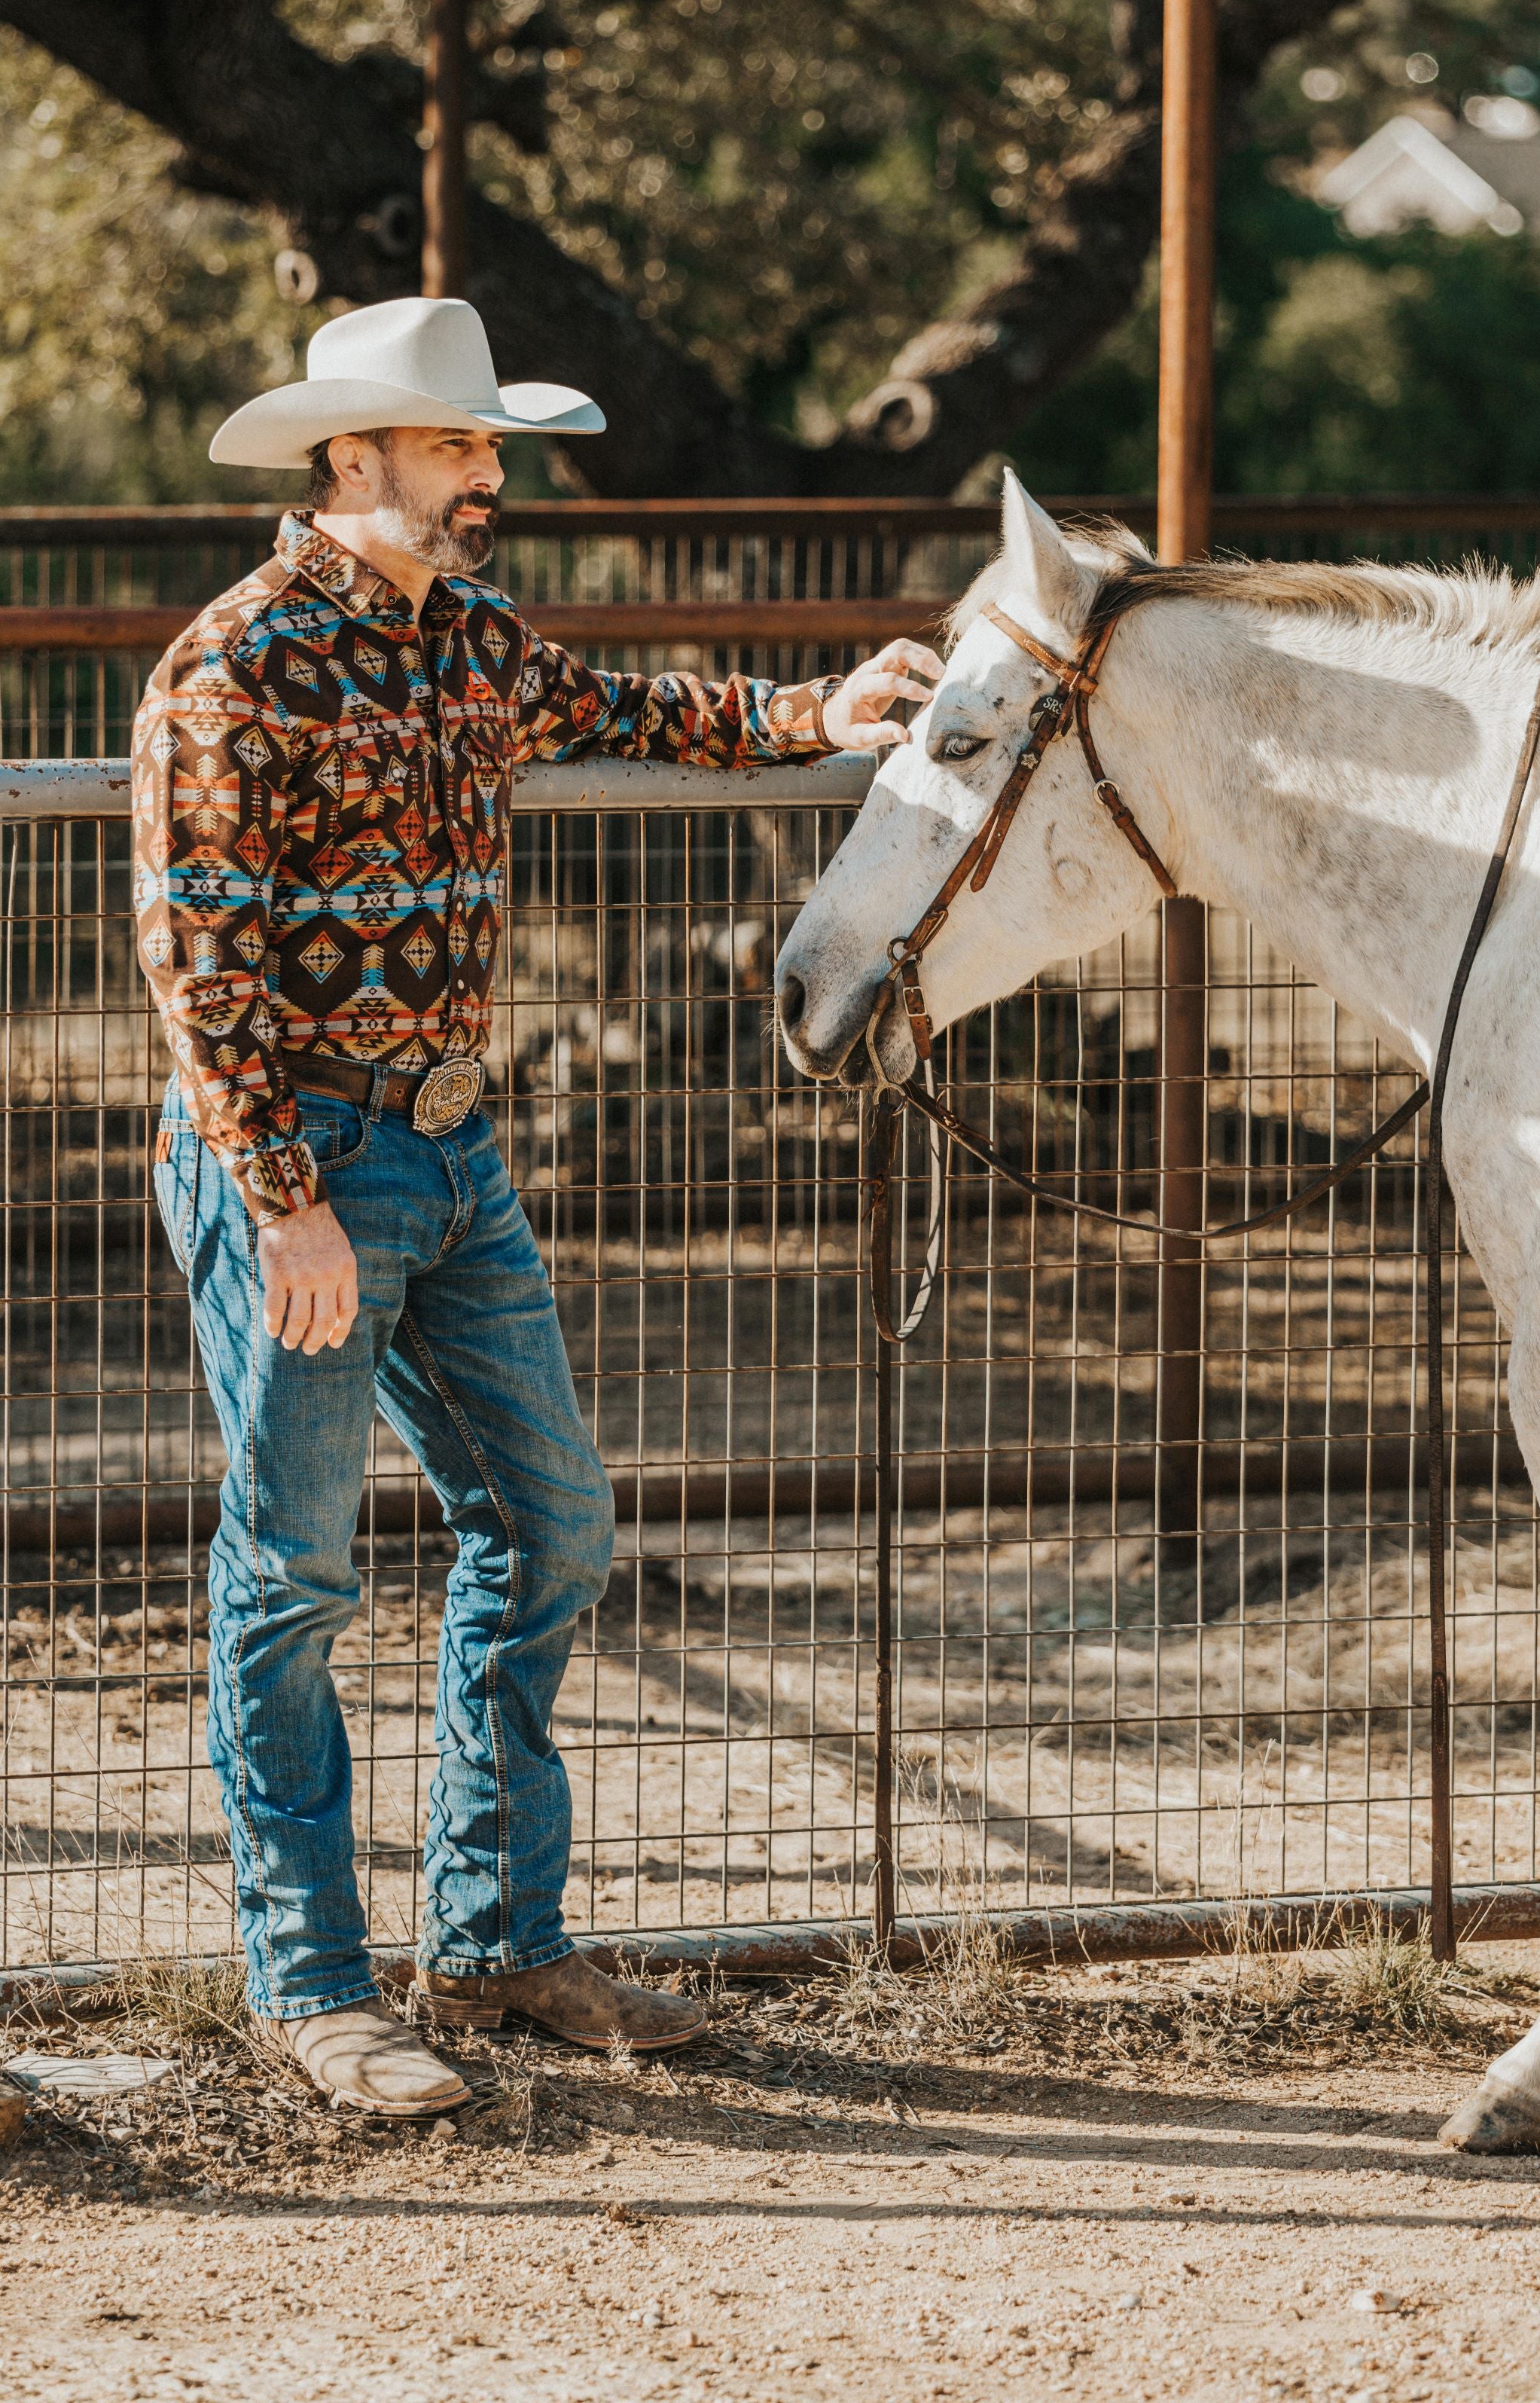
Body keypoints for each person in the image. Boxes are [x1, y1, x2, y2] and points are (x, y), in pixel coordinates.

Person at [133, 296, 941, 2118]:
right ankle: (316, 1983)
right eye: (458, 446)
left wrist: (826, 712)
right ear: (355, 460)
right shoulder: (232, 667)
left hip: (453, 1149)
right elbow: (197, 959)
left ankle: (495, 1940)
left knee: (551, 1523)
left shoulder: (473, 636)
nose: (491, 476)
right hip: (311, 1171)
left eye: (490, 446)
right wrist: (283, 1202)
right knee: (294, 1575)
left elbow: (637, 711)